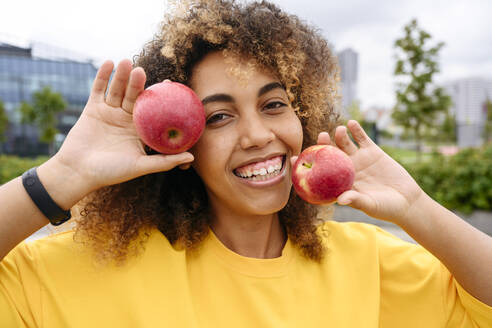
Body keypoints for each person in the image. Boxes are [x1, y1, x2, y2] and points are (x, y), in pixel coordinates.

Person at [1, 0, 491, 327]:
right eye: (218, 116)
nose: (258, 135)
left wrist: (416, 206)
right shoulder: (89, 266)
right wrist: (60, 178)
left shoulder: (369, 262)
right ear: (179, 144)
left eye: (274, 104)